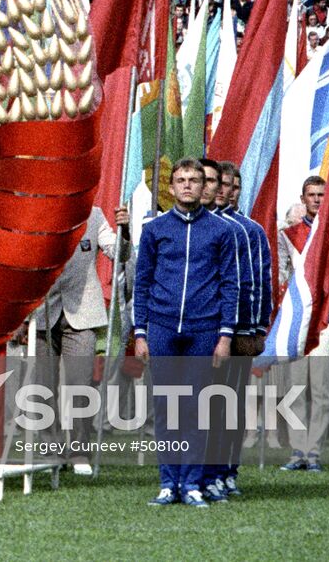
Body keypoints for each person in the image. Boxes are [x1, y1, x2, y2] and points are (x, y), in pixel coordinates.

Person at [132, 157, 238, 507]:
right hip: (162, 328)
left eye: (194, 179)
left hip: (204, 330)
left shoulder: (221, 231)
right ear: (172, 186)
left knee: (195, 409)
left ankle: (192, 483)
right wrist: (140, 333)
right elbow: (142, 282)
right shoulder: (155, 229)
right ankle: (168, 482)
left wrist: (224, 336)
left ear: (205, 185)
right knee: (165, 408)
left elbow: (230, 284)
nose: (188, 185)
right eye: (181, 180)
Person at [276, 176, 329, 473]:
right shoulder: (288, 234)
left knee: (320, 390)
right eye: (312, 194)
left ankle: (314, 451)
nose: (317, 199)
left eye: (322, 194)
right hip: (297, 320)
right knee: (295, 388)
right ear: (303, 197)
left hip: (325, 322)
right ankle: (297, 450)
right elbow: (281, 276)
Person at [208, 162, 271, 499]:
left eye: (233, 186)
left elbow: (258, 282)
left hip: (240, 330)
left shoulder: (249, 230)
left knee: (229, 404)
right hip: (203, 328)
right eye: (220, 183)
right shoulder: (199, 224)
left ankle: (227, 470)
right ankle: (200, 472)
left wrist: (256, 328)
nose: (225, 190)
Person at [40, 205, 118, 474]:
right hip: (40, 312)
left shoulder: (93, 214)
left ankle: (78, 452)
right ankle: (50, 451)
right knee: (41, 386)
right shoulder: (34, 211)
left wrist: (127, 234)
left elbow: (118, 253)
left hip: (82, 309)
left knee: (79, 384)